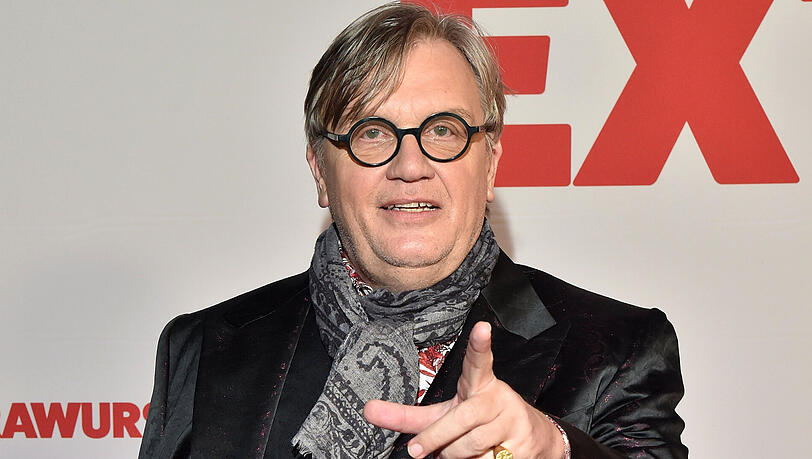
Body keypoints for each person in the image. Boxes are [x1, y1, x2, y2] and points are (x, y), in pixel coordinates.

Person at [139, 3, 687, 458]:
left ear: (490, 165)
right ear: (320, 171)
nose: (409, 165)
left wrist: (553, 449)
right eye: (372, 132)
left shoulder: (617, 348)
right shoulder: (206, 349)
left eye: (443, 130)